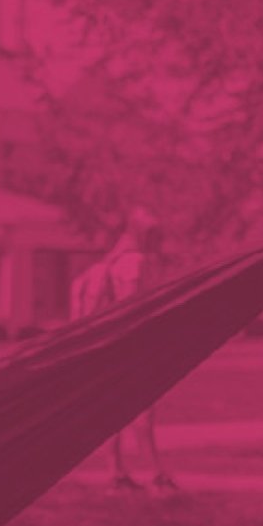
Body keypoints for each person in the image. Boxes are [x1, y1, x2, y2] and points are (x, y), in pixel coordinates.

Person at [70, 207, 178, 491]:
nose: (157, 239)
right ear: (141, 233)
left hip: (112, 345)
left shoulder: (111, 261)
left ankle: (116, 471)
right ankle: (155, 473)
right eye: (153, 233)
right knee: (143, 411)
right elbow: (133, 306)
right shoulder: (136, 262)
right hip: (133, 345)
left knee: (114, 409)